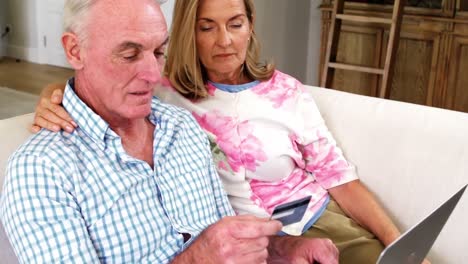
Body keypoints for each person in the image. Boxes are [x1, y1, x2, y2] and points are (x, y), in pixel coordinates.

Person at [31, 0, 420, 263]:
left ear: (250, 26)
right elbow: (102, 76)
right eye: (207, 27)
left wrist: (399, 243)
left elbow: (340, 179)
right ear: (188, 32)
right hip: (250, 243)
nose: (225, 41)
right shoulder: (162, 95)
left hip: (316, 224)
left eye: (236, 24)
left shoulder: (285, 93)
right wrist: (53, 95)